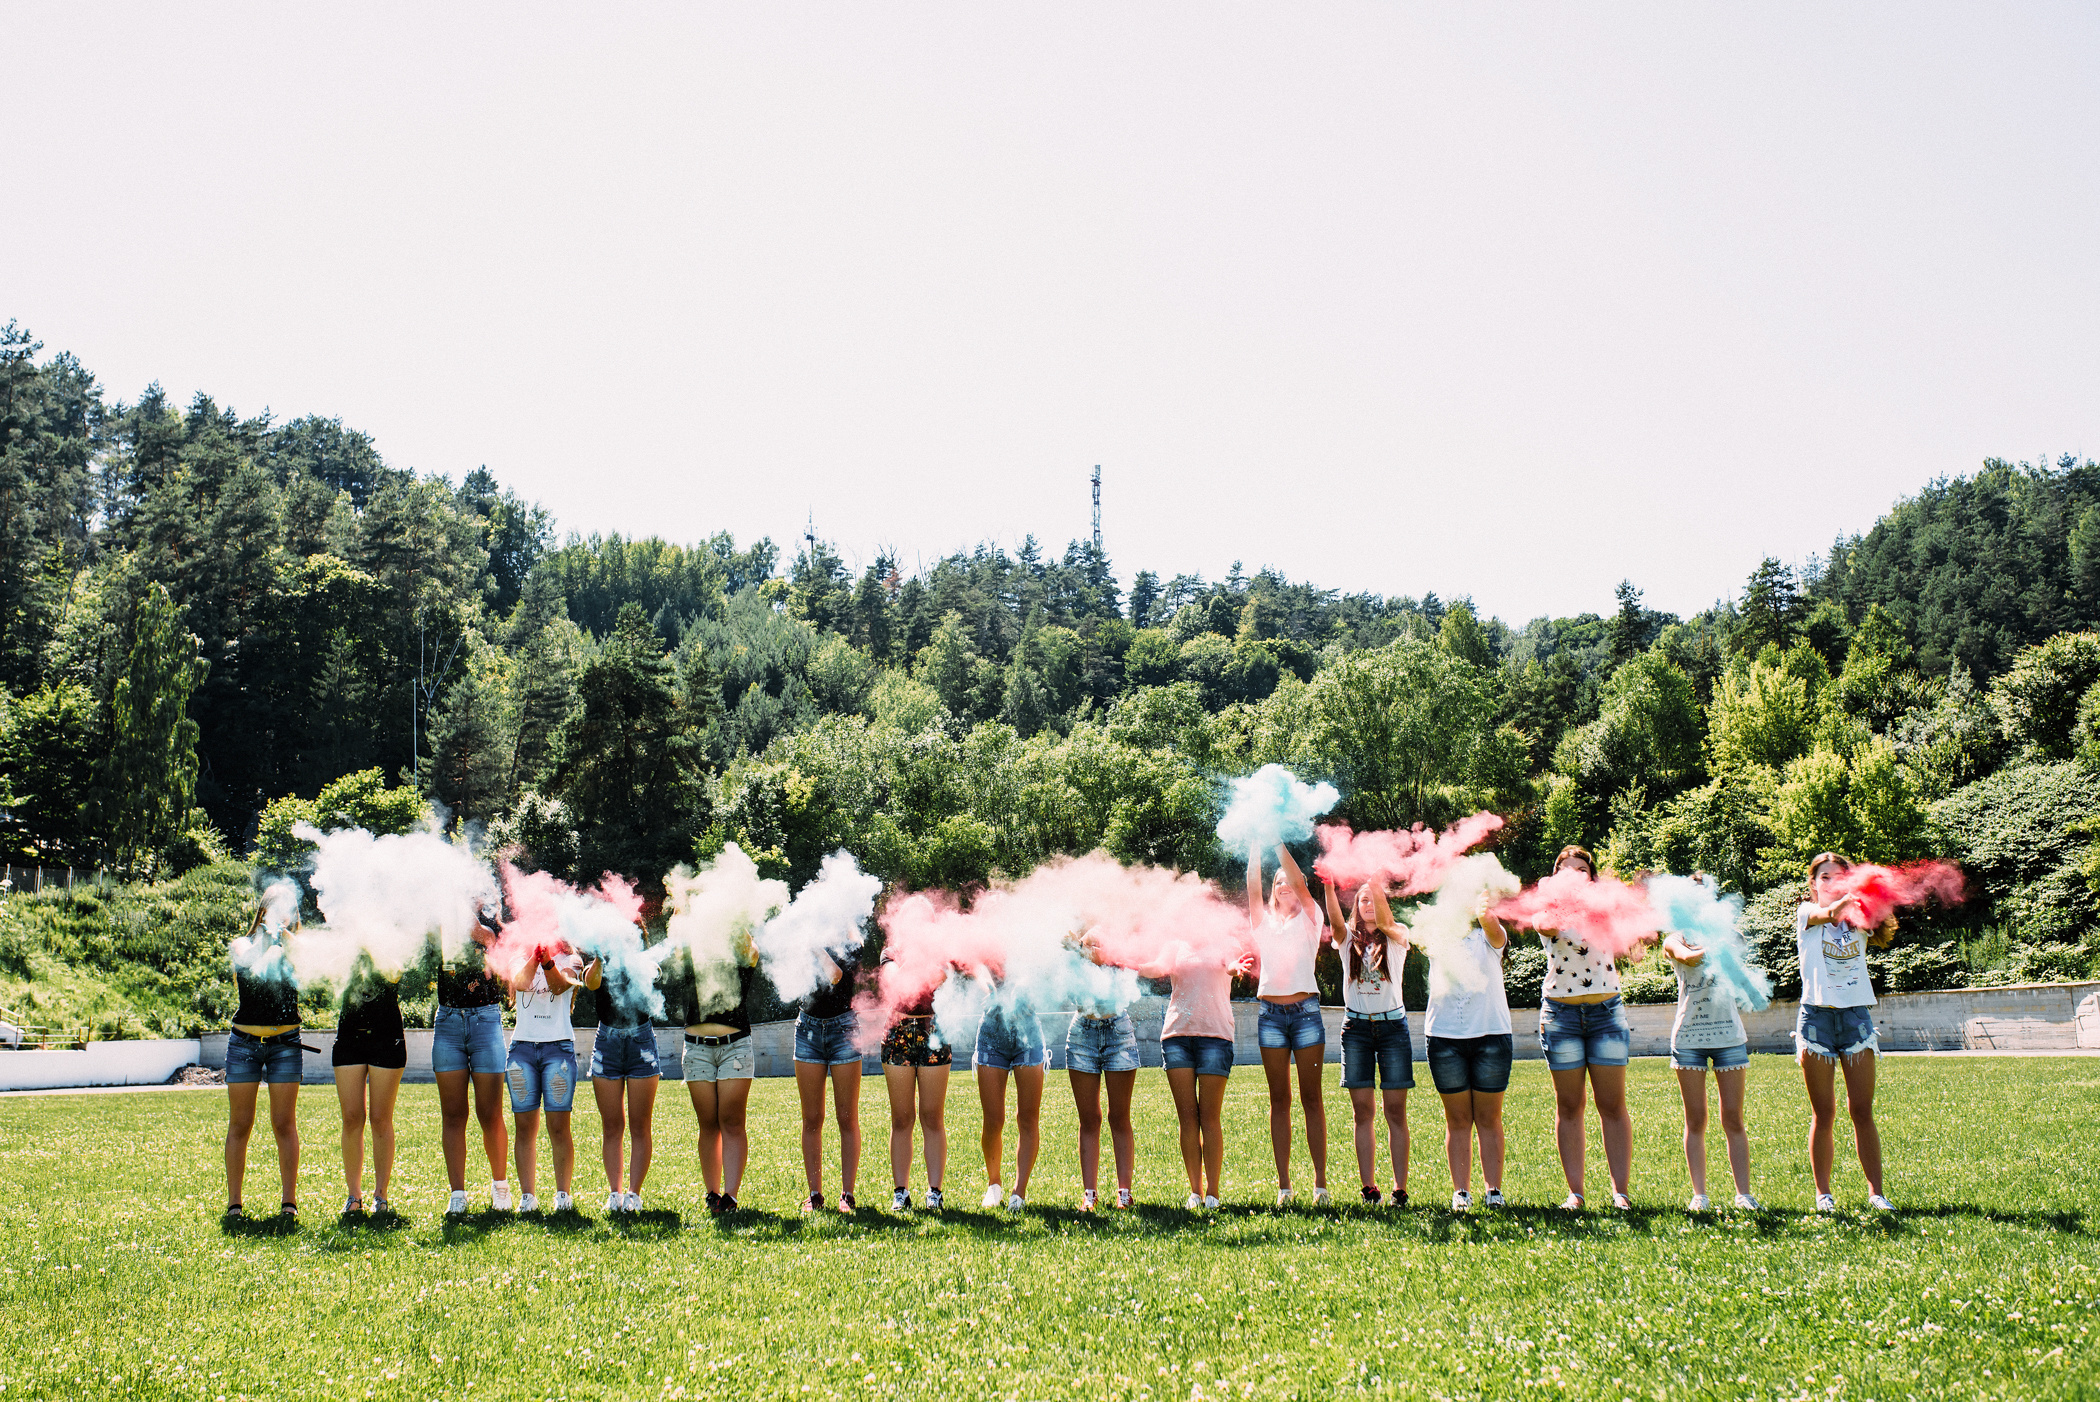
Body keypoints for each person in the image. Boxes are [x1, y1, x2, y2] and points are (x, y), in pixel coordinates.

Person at [1796, 852, 1898, 1213]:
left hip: (1855, 1019)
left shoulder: (1860, 919)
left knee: (1862, 1111)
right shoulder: (1806, 914)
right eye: (1824, 877)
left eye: (1839, 877)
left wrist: (1871, 896)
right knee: (1823, 1113)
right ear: (1813, 884)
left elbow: (1882, 917)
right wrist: (1845, 900)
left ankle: (1876, 1194)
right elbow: (1827, 914)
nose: (1831, 882)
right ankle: (1823, 1194)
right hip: (1817, 1020)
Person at [1535, 846, 1635, 1211]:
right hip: (1560, 1017)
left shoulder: (1605, 906)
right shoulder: (1547, 910)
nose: (1575, 874)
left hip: (1605, 1014)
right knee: (1569, 1106)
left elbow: (1629, 932)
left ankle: (1620, 1193)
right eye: (1566, 869)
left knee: (1612, 1105)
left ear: (1592, 877)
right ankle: (1575, 1194)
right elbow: (1547, 924)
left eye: (1582, 870)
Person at [1661, 874, 1759, 1213]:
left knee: (1733, 1118)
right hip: (1689, 1038)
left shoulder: (1730, 935)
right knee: (1696, 1120)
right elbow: (1689, 959)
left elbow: (1742, 974)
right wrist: (1715, 945)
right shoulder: (1674, 939)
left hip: (1729, 1037)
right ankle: (1699, 1195)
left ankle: (1744, 1195)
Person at [1247, 844, 1330, 1207]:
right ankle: (1284, 1186)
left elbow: (1299, 879)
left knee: (1312, 1098)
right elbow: (1252, 888)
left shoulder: (1311, 918)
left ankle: (1320, 1185)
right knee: (1279, 1100)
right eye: (1277, 882)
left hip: (1306, 1014)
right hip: (1271, 1018)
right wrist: (1254, 844)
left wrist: (1277, 843)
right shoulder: (1263, 923)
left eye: (1288, 882)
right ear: (1273, 891)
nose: (1283, 885)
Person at [1323, 878, 1412, 1207]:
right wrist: (1330, 889)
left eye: (1374, 899)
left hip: (1393, 1030)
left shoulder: (1398, 934)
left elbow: (1388, 922)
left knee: (1395, 1112)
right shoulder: (1347, 939)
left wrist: (1374, 880)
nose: (1369, 905)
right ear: (1356, 908)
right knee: (1363, 1112)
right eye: (1362, 900)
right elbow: (1334, 922)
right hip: (1357, 1030)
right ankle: (1369, 1187)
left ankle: (1399, 1188)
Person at [1422, 895, 1513, 1212]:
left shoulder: (1488, 937)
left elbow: (1493, 927)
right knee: (1457, 1119)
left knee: (1489, 1117)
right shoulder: (1435, 938)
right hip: (1445, 1038)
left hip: (1491, 1035)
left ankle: (1494, 1191)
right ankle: (1461, 1192)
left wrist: (1485, 910)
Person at [1138, 938, 1240, 1211]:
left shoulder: (1226, 939)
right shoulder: (1175, 944)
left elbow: (1230, 964)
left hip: (1215, 1037)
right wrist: (1131, 962)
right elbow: (1158, 967)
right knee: (1187, 1118)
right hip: (1177, 1037)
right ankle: (1195, 1192)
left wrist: (1235, 966)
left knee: (1210, 1117)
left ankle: (1213, 1194)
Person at [667, 935, 759, 1217]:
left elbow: (752, 953)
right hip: (696, 1049)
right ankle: (713, 1194)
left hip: (735, 1047)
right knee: (707, 1123)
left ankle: (730, 1196)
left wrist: (735, 918)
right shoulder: (689, 944)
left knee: (732, 1121)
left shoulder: (738, 941)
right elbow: (675, 956)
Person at [225, 902, 303, 1222]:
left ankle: (289, 1202)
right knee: (240, 1124)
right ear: (262, 911)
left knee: (284, 1123)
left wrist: (282, 936)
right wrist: (266, 937)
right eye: (274, 907)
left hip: (285, 1044)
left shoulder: (295, 945)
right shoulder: (243, 942)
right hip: (244, 1043)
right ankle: (234, 1205)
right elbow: (246, 960)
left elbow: (307, 961)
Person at [432, 909, 512, 1216]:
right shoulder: (439, 913)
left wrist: (480, 930)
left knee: (490, 1113)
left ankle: (500, 1186)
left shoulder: (493, 918)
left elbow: (503, 961)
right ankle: (458, 1194)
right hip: (448, 1020)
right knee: (453, 1115)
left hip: (486, 1019)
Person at [506, 943, 588, 1214]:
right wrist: (533, 957)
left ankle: (562, 1195)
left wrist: (549, 962)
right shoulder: (518, 954)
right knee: (524, 1127)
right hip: (523, 1049)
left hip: (558, 1049)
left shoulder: (572, 959)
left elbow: (560, 986)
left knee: (559, 1126)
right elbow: (519, 982)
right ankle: (527, 1197)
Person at [1067, 934, 1142, 1210]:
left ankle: (1125, 1193)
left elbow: (1138, 966)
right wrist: (1078, 954)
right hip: (1082, 1035)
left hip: (1118, 1033)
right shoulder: (1073, 960)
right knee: (1089, 1119)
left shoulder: (1120, 954)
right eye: (1090, 942)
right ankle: (1090, 1194)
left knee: (1119, 1116)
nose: (1095, 945)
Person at [333, 948, 407, 1217]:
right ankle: (354, 1196)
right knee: (352, 1118)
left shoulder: (390, 936)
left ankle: (381, 1196)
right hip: (349, 1038)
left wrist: (374, 943)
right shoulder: (347, 938)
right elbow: (332, 970)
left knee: (380, 1118)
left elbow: (395, 971)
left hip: (387, 1039)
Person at [588, 946, 662, 1215]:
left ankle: (634, 1194)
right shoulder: (600, 958)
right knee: (611, 1126)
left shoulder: (644, 960)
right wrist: (599, 958)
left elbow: (653, 978)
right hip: (607, 1041)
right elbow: (591, 982)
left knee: (640, 1125)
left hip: (640, 1041)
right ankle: (615, 1193)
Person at [877, 950, 950, 1213]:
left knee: (932, 1116)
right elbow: (896, 984)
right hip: (898, 1034)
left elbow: (937, 977)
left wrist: (923, 948)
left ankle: (935, 1193)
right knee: (901, 1118)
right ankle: (901, 1193)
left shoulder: (939, 945)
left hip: (934, 1032)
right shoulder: (891, 950)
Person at [794, 951, 864, 1214]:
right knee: (811, 1118)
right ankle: (815, 1195)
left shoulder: (849, 932)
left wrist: (813, 943)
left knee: (847, 1117)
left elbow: (835, 976)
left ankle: (847, 1194)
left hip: (843, 1029)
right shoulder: (805, 931)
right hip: (807, 1030)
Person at [973, 977, 1046, 1213]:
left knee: (1027, 1117)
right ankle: (994, 1184)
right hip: (992, 1031)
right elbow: (974, 963)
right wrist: (989, 989)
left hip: (1029, 1030)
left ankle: (1019, 1192)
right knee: (993, 1120)